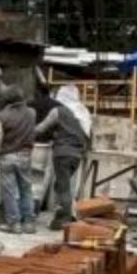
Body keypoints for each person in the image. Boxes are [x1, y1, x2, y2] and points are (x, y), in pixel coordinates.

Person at [36, 85, 93, 227]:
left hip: (62, 153)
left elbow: (41, 128)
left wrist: (24, 132)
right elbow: (88, 134)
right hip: (77, 154)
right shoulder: (83, 112)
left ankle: (64, 218)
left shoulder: (58, 111)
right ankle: (66, 215)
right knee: (64, 185)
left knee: (63, 187)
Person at [0, 88, 38, 232]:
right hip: (25, 155)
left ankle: (14, 224)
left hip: (7, 157)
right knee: (26, 189)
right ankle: (29, 223)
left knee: (9, 191)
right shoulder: (32, 113)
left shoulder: (2, 116)